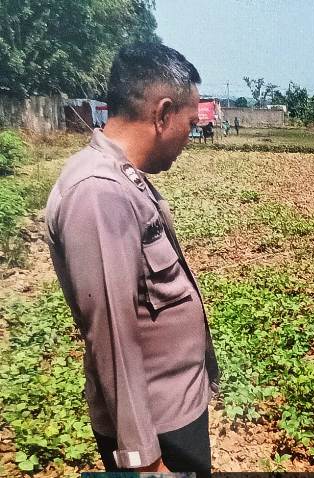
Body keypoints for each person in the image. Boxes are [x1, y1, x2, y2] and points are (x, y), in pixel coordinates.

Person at [44, 43, 218, 477]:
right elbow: (112, 333)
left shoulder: (126, 179)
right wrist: (144, 459)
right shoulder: (99, 192)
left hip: (173, 411)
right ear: (162, 114)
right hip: (158, 431)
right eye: (190, 123)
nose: (190, 137)